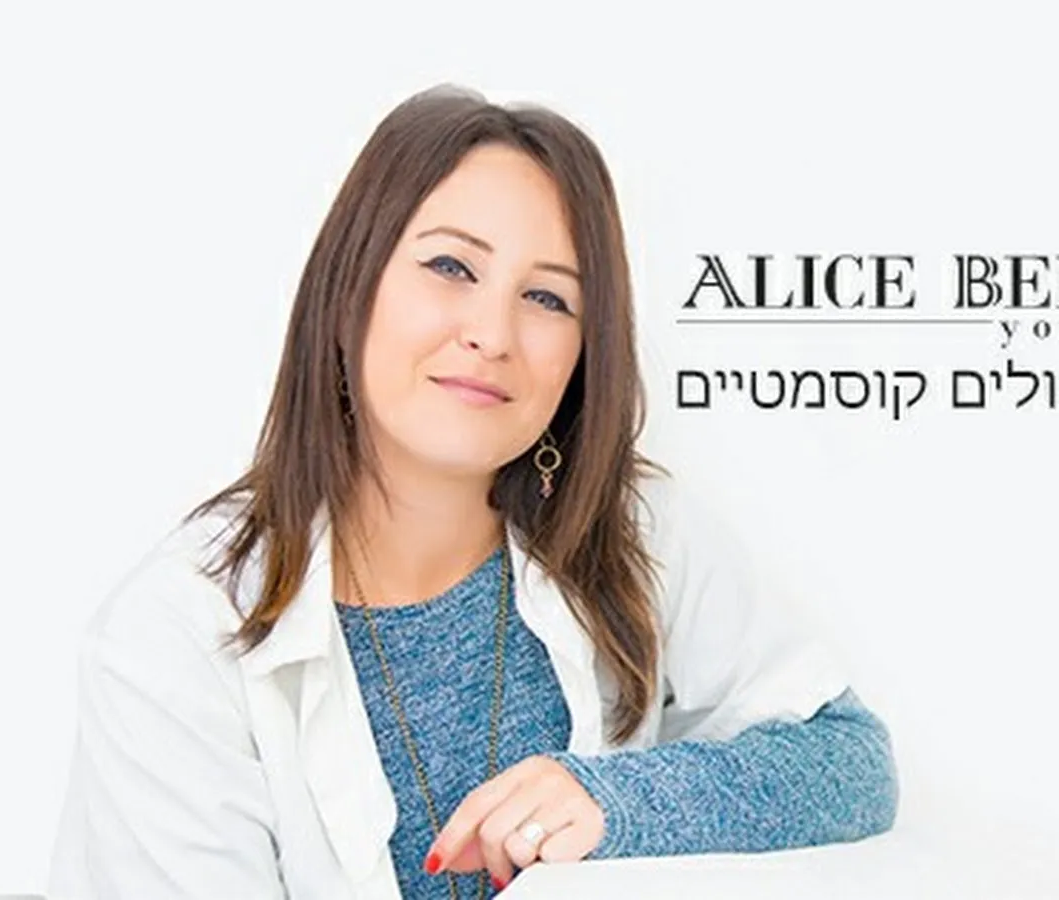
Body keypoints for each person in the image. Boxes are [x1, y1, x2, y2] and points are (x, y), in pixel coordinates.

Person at [45, 84, 899, 900]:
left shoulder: (633, 530)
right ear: (348, 290)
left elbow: (850, 760)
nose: (492, 334)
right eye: (451, 266)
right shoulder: (173, 636)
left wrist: (611, 802)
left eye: (547, 297)